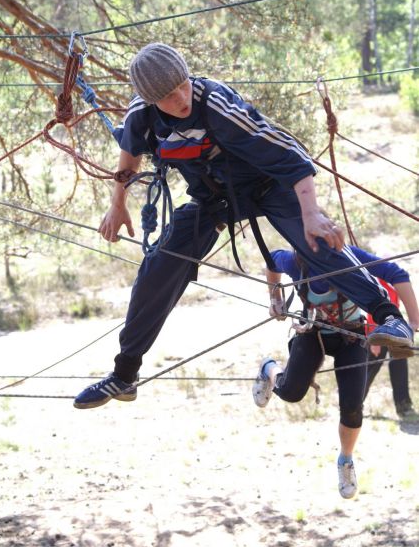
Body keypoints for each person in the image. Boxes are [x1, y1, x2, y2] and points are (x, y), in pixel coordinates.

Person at [73, 42, 414, 410]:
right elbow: (129, 153)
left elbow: (289, 156)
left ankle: (390, 319)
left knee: (316, 242)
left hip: (269, 186)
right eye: (169, 96)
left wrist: (311, 213)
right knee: (159, 265)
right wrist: (117, 204)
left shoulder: (216, 105)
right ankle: (124, 375)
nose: (181, 98)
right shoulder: (142, 115)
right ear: (152, 99)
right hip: (212, 199)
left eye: (183, 86)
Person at [252, 247, 419, 499]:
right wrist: (275, 299)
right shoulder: (296, 261)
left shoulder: (350, 257)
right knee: (290, 392)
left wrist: (414, 321)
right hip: (312, 332)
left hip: (351, 336)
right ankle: (268, 367)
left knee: (352, 406)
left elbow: (397, 273)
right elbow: (271, 261)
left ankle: (345, 460)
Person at [364, 279, 418, 419]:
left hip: (395, 332)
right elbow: (372, 310)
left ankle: (403, 406)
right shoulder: (375, 281)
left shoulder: (393, 283)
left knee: (400, 366)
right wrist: (374, 340)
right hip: (378, 333)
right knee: (369, 369)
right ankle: (355, 403)